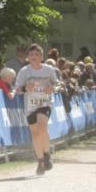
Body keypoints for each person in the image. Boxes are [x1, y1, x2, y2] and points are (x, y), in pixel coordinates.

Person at [15, 43, 62, 176]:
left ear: (41, 57)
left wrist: (52, 88)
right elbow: (17, 89)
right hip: (30, 106)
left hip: (45, 103)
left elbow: (58, 84)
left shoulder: (49, 70)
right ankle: (40, 160)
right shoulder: (24, 71)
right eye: (31, 55)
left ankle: (46, 153)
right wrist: (25, 88)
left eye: (36, 54)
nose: (33, 57)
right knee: (35, 134)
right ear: (28, 57)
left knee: (42, 128)